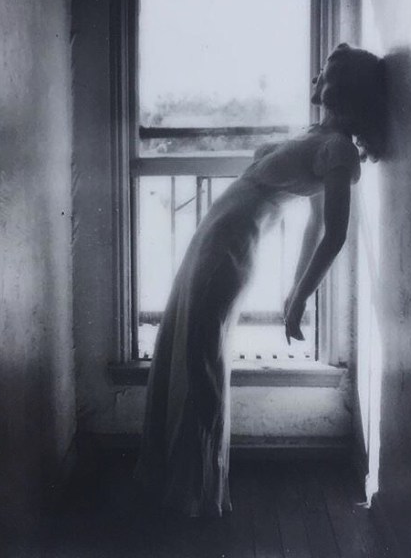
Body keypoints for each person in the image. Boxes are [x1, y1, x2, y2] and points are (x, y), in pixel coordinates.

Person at [134, 43, 387, 517]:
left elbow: (332, 234)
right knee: (188, 350)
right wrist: (293, 289)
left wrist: (300, 297)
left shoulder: (338, 150)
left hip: (229, 248)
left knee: (201, 362)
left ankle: (196, 496)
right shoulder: (320, 136)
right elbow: (313, 224)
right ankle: (178, 482)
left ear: (342, 87)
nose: (317, 75)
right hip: (214, 239)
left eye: (326, 70)